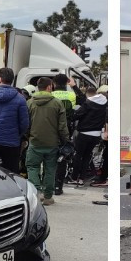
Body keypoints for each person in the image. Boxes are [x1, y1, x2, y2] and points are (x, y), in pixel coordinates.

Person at [25, 77, 69, 206]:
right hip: (52, 143)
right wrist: (65, 140)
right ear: (49, 87)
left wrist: (28, 136)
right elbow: (62, 126)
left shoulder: (30, 103)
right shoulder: (57, 103)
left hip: (35, 142)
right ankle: (48, 197)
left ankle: (36, 193)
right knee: (50, 169)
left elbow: (26, 123)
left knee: (32, 167)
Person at [73, 85, 107, 182]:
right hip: (96, 135)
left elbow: (77, 115)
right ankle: (82, 178)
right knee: (87, 156)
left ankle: (75, 177)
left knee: (78, 155)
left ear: (88, 95)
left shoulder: (87, 103)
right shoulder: (105, 103)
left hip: (84, 133)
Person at [51, 74, 78, 193]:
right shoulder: (72, 95)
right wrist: (74, 86)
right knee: (62, 158)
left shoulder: (51, 95)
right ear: (67, 83)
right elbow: (83, 101)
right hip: (66, 131)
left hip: (51, 130)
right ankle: (58, 187)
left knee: (49, 159)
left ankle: (49, 185)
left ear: (54, 84)